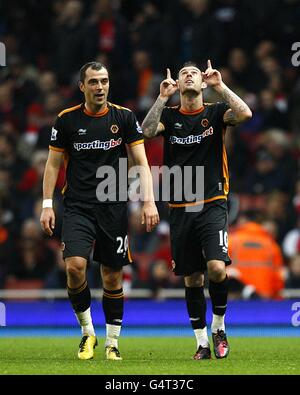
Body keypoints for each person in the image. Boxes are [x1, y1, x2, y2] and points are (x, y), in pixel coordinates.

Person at [40, 61, 159, 361]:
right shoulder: (66, 120)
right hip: (78, 206)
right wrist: (46, 204)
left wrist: (148, 201)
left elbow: (141, 163)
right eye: (93, 82)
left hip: (113, 207)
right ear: (82, 86)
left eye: (104, 81)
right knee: (75, 267)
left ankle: (112, 342)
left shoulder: (125, 117)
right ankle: (87, 332)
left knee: (111, 276)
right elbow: (53, 164)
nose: (100, 87)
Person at [142, 60, 252, 360]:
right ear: (177, 84)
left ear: (202, 83)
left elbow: (245, 113)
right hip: (179, 207)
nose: (189, 75)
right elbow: (147, 131)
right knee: (192, 279)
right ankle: (202, 341)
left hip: (213, 202)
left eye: (193, 73)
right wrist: (162, 97)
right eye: (183, 74)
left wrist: (220, 85)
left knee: (216, 267)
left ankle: (218, 327)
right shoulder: (169, 115)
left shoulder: (215, 112)